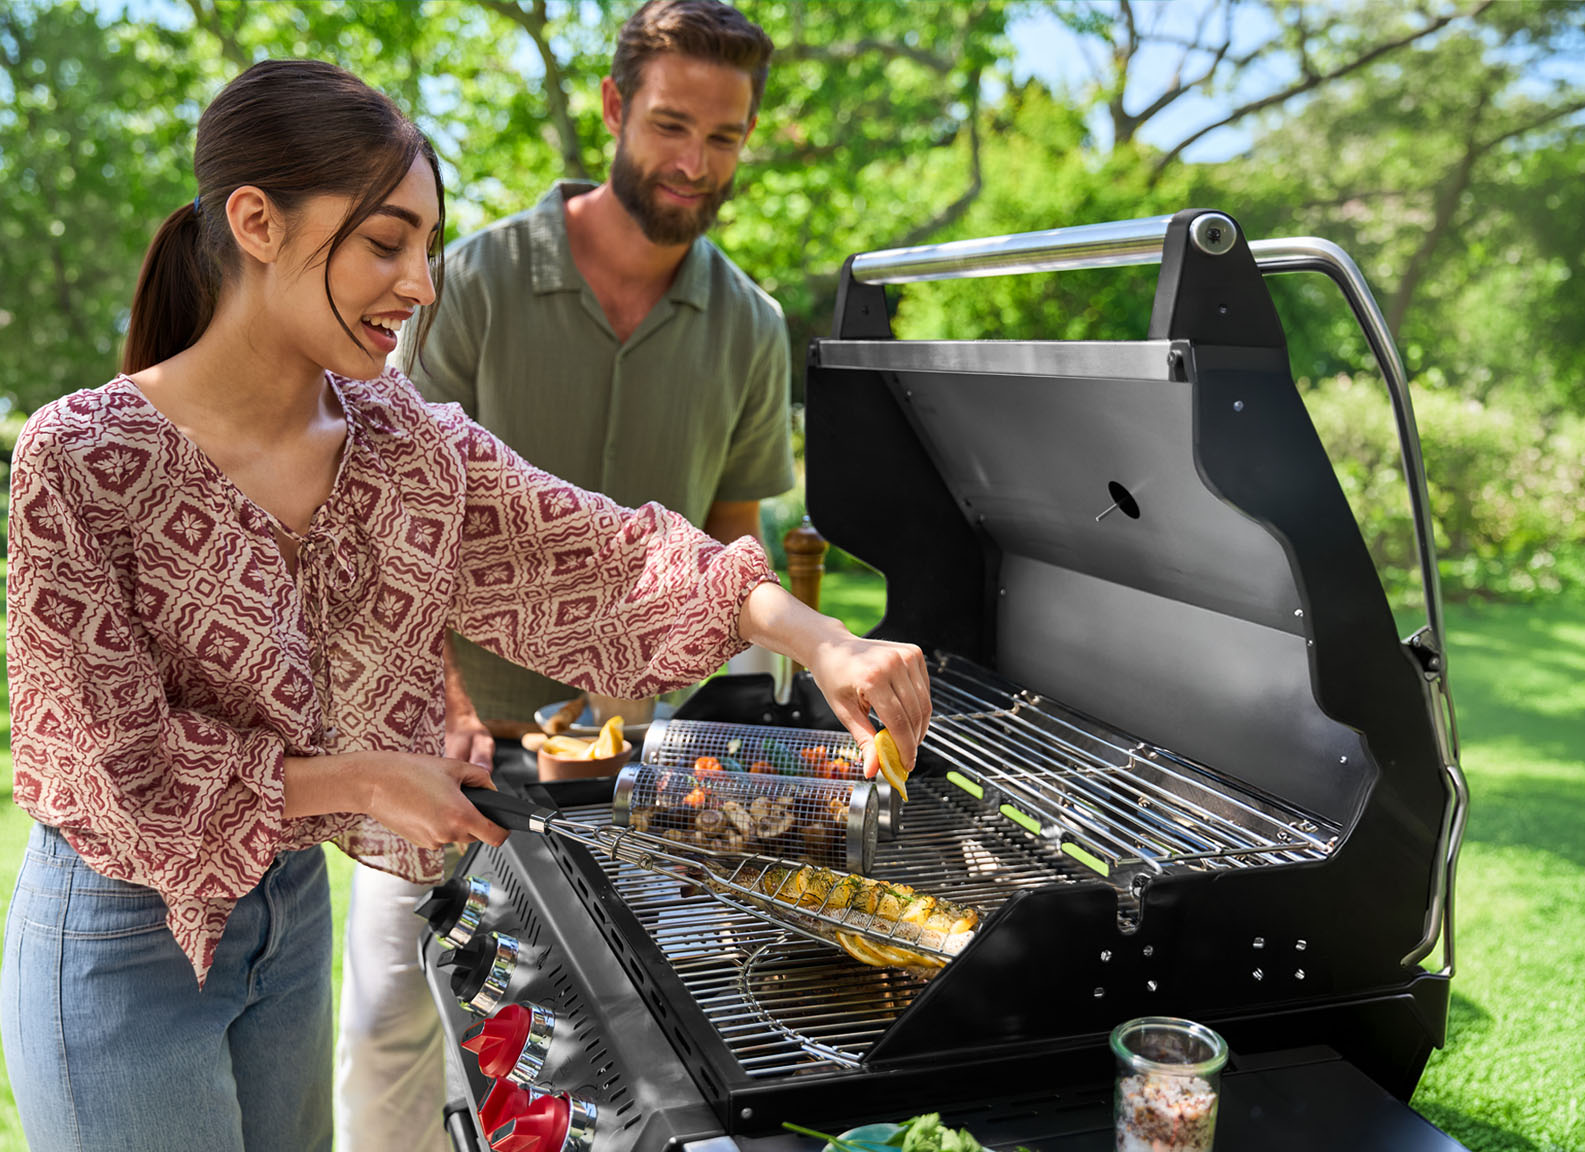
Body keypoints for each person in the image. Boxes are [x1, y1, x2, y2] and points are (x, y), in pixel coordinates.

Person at [0, 58, 928, 1152]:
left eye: (429, 248)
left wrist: (820, 638)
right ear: (256, 222)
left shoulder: (402, 443)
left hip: (288, 913)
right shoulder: (84, 458)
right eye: (385, 243)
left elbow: (602, 558)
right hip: (121, 933)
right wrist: (365, 779)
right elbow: (114, 769)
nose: (422, 285)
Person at [334, 5, 799, 1147]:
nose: (696, 162)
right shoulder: (471, 282)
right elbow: (391, 515)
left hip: (633, 763)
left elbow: (732, 542)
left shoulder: (752, 328)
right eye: (672, 124)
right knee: (393, 1024)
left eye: (726, 137)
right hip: (447, 744)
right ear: (613, 108)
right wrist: (444, 705)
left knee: (605, 1060)